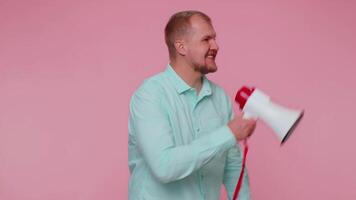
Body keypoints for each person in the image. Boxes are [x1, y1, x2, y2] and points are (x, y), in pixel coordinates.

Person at [128, 10, 256, 200]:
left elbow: (233, 166)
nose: (216, 45)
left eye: (214, 38)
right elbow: (164, 166)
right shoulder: (150, 95)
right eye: (206, 39)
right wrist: (228, 134)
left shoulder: (220, 97)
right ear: (181, 46)